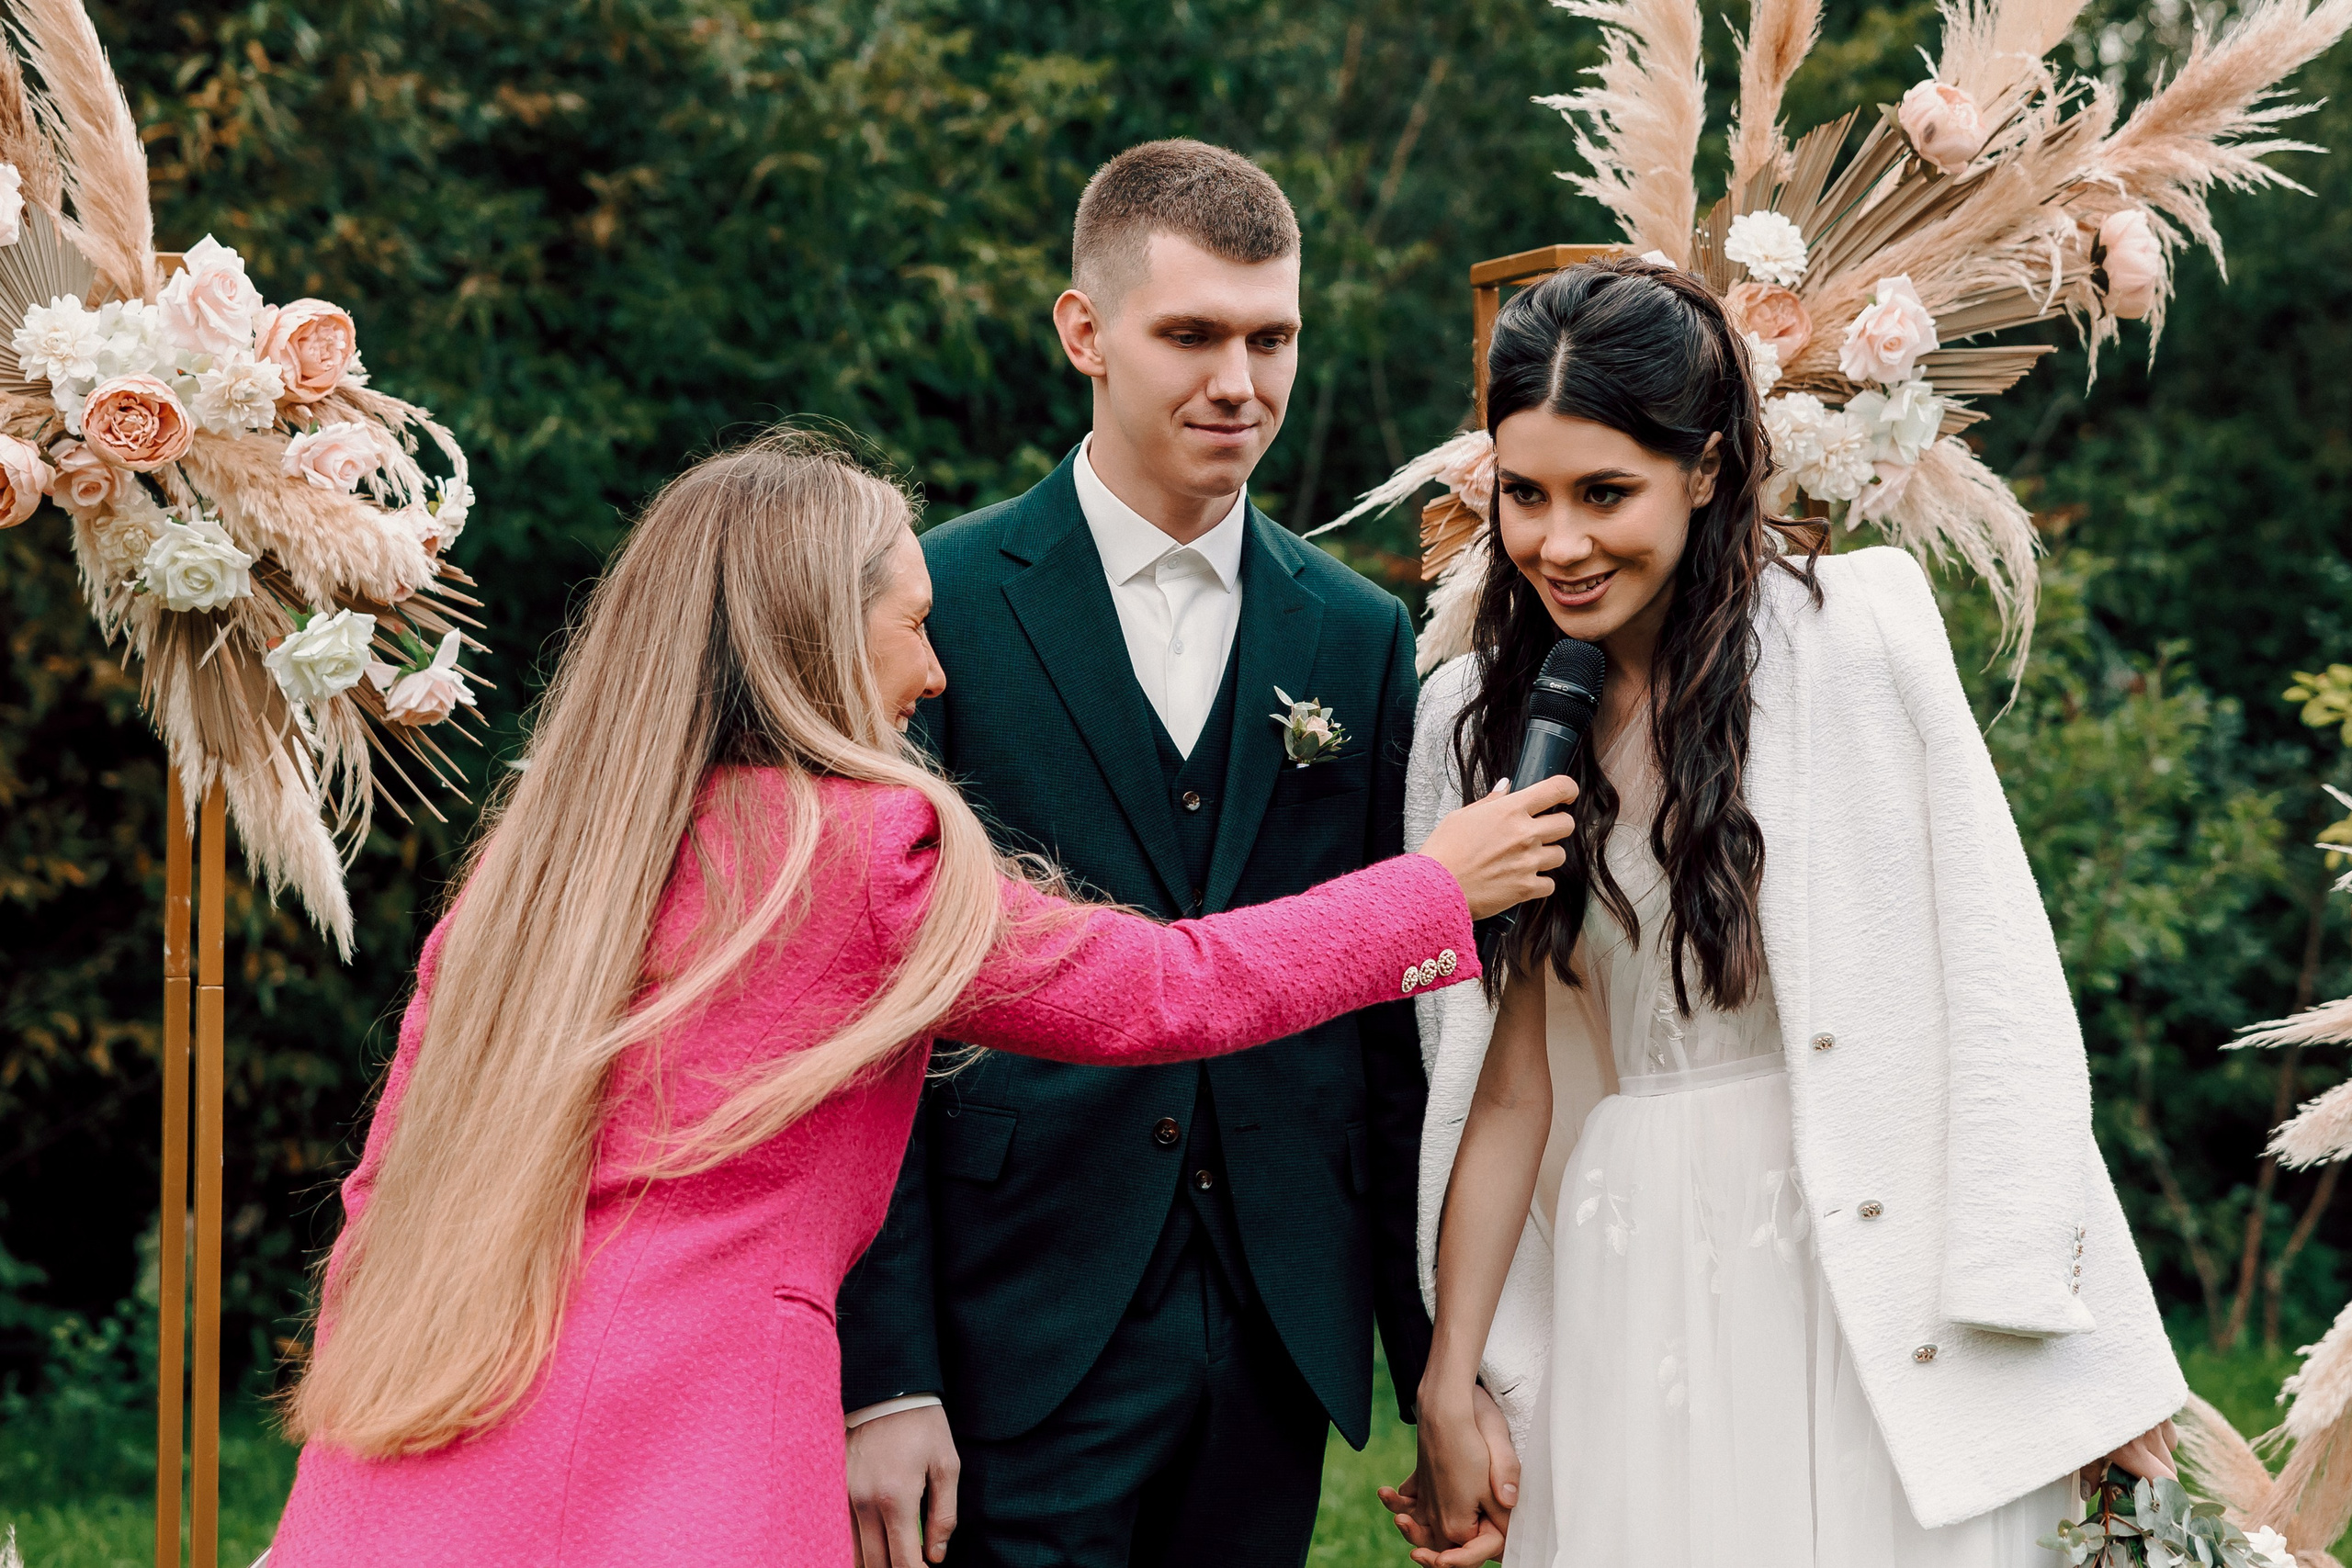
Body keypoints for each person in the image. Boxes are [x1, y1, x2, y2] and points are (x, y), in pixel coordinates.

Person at [258, 433, 1578, 1567]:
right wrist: (1432, 893)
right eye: (912, 623)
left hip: (434, 1433)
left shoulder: (539, 860)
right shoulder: (860, 853)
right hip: (707, 1441)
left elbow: (385, 1189)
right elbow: (1171, 992)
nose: (937, 674)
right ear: (819, 633)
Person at [1383, 257, 2189, 1568]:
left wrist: (2078, 1334)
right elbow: (1500, 1085)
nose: (1559, 544)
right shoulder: (1473, 727)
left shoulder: (1857, 637)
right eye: (1525, 495)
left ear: (1705, 471)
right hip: (1632, 1247)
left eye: (1606, 493)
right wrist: (1449, 1376)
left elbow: (1996, 989)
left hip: (1871, 1256)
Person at [835, 138, 1513, 1568]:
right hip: (1016, 1315)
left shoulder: (1356, 632)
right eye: (1192, 335)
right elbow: (862, 1007)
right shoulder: (933, 602)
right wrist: (886, 1374)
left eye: (1273, 338)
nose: (1240, 383)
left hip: (1276, 1320)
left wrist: (1442, 1371)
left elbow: (1392, 1016)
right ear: (1084, 330)